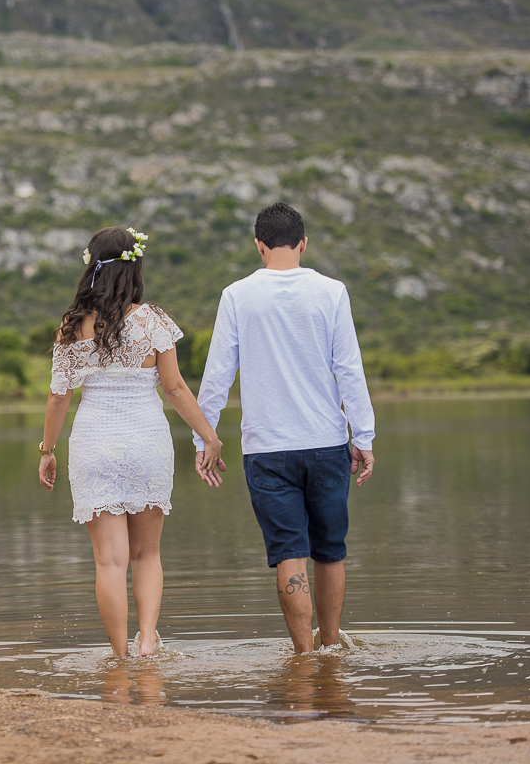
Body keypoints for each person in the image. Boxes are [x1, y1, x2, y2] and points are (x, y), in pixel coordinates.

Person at [193, 202, 375, 654]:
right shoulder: (332, 292)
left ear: (259, 246)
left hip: (267, 450)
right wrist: (364, 437)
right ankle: (331, 648)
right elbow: (349, 369)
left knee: (289, 554)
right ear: (303, 243)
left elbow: (217, 376)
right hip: (327, 443)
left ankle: (304, 657)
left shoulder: (237, 295)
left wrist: (205, 439)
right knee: (330, 551)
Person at [39, 225, 225, 659]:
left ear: (91, 267)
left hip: (94, 444)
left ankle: (119, 656)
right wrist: (209, 436)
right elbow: (175, 388)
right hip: (146, 442)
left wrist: (47, 450)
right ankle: (146, 643)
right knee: (146, 555)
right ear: (134, 268)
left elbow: (59, 396)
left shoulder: (71, 326)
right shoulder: (154, 321)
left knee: (110, 561)